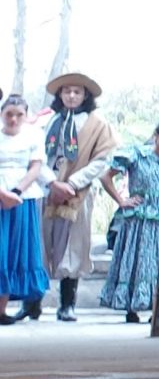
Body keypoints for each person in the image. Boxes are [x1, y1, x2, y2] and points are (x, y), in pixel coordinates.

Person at [38, 72, 117, 321]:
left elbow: (102, 159)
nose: (71, 96)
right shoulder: (48, 121)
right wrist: (51, 182)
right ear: (59, 95)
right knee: (40, 243)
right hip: (45, 189)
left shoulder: (97, 124)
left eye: (77, 92)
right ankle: (32, 303)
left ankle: (67, 304)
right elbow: (35, 155)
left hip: (77, 193)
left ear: (85, 96)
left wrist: (72, 182)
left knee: (73, 246)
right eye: (66, 91)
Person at [99, 121, 159, 322]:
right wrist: (121, 200)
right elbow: (106, 177)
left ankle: (155, 308)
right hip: (138, 219)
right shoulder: (137, 155)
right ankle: (131, 307)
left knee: (157, 263)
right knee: (136, 261)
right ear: (155, 135)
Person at [0, 94, 52, 323]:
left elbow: (36, 166)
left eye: (19, 114)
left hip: (23, 195)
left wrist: (17, 192)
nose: (13, 119)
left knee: (14, 252)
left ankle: (1, 310)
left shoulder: (34, 135)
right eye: (9, 114)